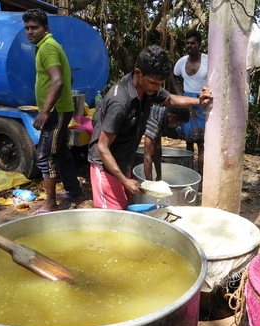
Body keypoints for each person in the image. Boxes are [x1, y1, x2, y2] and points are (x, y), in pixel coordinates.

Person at [87, 45, 212, 210]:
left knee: (123, 208)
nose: (156, 88)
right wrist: (124, 180)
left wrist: (199, 101)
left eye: (159, 84)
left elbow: (171, 100)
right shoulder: (120, 101)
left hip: (123, 161)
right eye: (153, 83)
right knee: (111, 217)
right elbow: (102, 147)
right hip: (105, 166)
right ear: (138, 73)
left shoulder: (147, 88)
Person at [22, 9, 84, 214]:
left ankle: (50, 204)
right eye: (27, 28)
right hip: (61, 109)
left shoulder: (47, 47)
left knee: (44, 154)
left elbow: (58, 80)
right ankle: (75, 191)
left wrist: (46, 111)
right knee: (61, 151)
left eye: (34, 27)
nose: (30, 32)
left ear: (45, 29)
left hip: (56, 111)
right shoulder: (47, 46)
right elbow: (68, 79)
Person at [171, 29, 208, 176]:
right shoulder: (181, 61)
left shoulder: (208, 60)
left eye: (193, 43)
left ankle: (202, 180)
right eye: (187, 43)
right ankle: (189, 177)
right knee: (188, 142)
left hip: (203, 104)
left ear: (199, 44)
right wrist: (179, 95)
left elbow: (217, 78)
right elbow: (173, 76)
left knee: (202, 144)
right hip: (186, 102)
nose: (189, 46)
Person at [143, 105, 190, 181]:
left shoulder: (161, 118)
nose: (177, 127)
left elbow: (157, 150)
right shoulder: (154, 120)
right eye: (178, 123)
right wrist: (149, 184)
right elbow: (147, 157)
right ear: (173, 117)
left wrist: (159, 177)